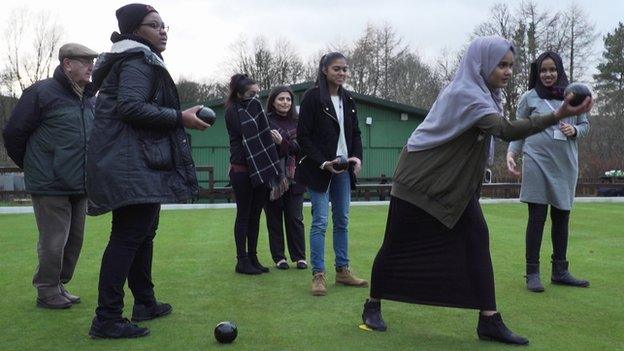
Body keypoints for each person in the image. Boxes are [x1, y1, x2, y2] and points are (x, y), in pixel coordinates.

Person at [360, 36, 592, 346]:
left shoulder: (485, 95)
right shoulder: (466, 94)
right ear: (482, 64)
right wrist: (558, 115)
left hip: (453, 185)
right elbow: (506, 130)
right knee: (397, 242)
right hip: (419, 181)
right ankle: (372, 305)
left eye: (511, 65)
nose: (507, 71)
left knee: (477, 238)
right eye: (501, 65)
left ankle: (488, 320)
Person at [86, 3, 209, 339]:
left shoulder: (136, 57)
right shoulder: (137, 59)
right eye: (154, 25)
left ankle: (144, 302)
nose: (163, 30)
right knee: (128, 236)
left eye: (163, 24)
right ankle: (107, 318)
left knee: (142, 232)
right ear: (135, 30)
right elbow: (131, 107)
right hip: (130, 162)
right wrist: (179, 117)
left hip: (135, 160)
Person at [3, 43, 98, 309]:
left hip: (79, 182)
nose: (91, 65)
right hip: (50, 183)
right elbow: (13, 134)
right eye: (84, 61)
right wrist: (34, 166)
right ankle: (46, 290)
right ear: (67, 64)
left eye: (92, 60)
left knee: (75, 239)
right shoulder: (40, 93)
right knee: (54, 240)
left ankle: (58, 284)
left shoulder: (89, 97)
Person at [506, 51, 590, 292]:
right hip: (535, 161)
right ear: (537, 73)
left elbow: (585, 125)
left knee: (562, 216)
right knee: (537, 217)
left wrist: (575, 132)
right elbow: (518, 129)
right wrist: (512, 154)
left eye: (552, 69)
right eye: (543, 70)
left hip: (565, 164)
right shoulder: (528, 98)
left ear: (560, 70)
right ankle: (532, 272)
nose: (548, 74)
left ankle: (560, 270)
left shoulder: (574, 97)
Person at [296, 52, 367, 296]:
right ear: (324, 70)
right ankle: (318, 274)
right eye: (337, 69)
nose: (342, 73)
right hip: (320, 170)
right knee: (320, 222)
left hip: (344, 170)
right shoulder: (312, 98)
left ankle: (343, 271)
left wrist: (356, 157)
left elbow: (356, 133)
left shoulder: (348, 99)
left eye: (345, 69)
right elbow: (303, 137)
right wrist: (322, 162)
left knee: (342, 221)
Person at [225, 74, 286, 275]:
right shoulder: (232, 111)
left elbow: (263, 132)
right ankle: (241, 260)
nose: (255, 97)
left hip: (260, 167)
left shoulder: (256, 108)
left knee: (255, 215)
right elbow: (249, 133)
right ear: (239, 93)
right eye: (251, 93)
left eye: (257, 93)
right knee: (244, 214)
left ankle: (253, 257)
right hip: (242, 168)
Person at [263, 86, 307, 270]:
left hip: (295, 177)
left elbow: (300, 149)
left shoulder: (299, 123)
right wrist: (282, 146)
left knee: (295, 218)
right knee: (274, 218)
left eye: (288, 99)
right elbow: (264, 150)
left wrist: (282, 143)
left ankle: (299, 257)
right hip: (272, 178)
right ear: (273, 101)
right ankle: (279, 257)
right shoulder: (265, 122)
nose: (285, 103)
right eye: (281, 99)